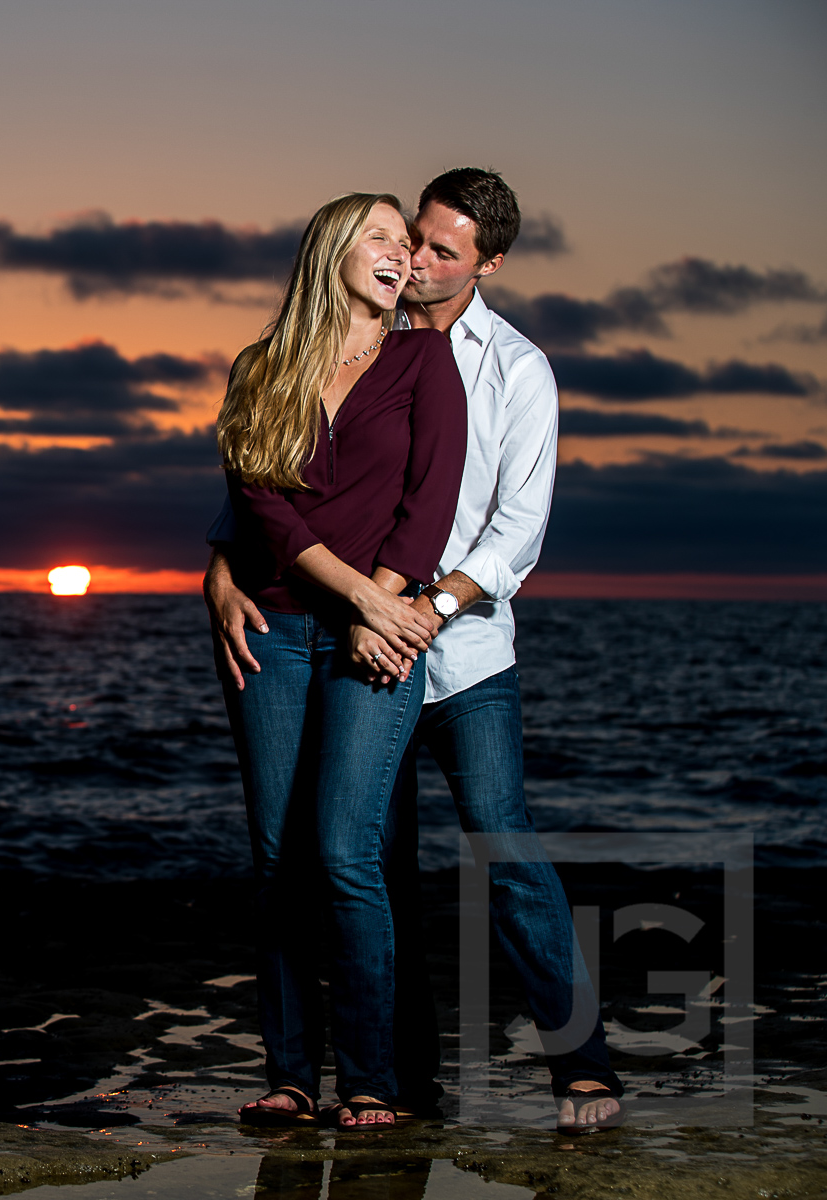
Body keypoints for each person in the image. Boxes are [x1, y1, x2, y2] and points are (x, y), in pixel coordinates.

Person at [207, 168, 625, 1133]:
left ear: (489, 263)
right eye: (413, 240)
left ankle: (581, 1063)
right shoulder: (329, 352)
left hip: (459, 652)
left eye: (443, 250)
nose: (422, 262)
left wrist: (404, 611)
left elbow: (512, 528)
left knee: (501, 843)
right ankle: (393, 1083)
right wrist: (220, 567)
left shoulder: (512, 368)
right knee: (366, 862)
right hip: (356, 641)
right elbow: (275, 479)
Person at [215, 191, 466, 1130]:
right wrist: (360, 596)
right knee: (278, 859)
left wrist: (383, 605)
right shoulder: (262, 367)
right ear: (331, 252)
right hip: (277, 632)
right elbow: (264, 506)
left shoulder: (421, 359)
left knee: (346, 853)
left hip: (377, 634)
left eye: (407, 243)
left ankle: (372, 1079)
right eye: (381, 237)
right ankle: (289, 1075)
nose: (401, 253)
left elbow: (430, 500)